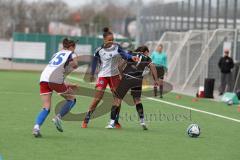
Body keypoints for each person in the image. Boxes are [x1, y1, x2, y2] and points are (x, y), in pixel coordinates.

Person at [81, 27, 139, 128]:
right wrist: (91, 74)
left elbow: (124, 55)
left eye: (113, 39)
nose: (112, 41)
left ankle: (115, 120)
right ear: (104, 40)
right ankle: (87, 118)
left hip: (115, 76)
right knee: (97, 98)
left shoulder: (117, 47)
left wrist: (131, 57)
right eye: (109, 40)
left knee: (117, 98)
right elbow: (94, 62)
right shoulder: (99, 50)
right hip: (103, 76)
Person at [32, 38, 79, 137]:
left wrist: (70, 84)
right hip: (55, 79)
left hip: (44, 78)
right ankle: (58, 117)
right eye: (74, 48)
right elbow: (75, 65)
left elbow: (55, 75)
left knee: (46, 107)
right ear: (71, 47)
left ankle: (36, 127)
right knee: (72, 99)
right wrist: (74, 59)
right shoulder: (71, 53)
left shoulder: (56, 54)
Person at [105, 45, 160, 130]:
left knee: (117, 100)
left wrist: (122, 75)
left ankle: (112, 123)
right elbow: (153, 67)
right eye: (147, 52)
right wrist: (156, 80)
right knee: (137, 100)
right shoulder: (147, 58)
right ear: (145, 51)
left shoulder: (131, 54)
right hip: (137, 80)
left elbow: (120, 66)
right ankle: (142, 121)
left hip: (127, 77)